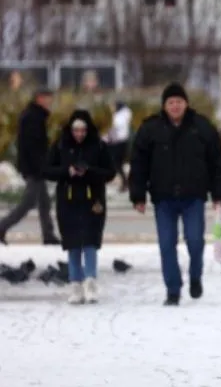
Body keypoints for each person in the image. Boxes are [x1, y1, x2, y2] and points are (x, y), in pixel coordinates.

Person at [129, 82, 221, 306]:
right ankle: (173, 290)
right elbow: (138, 164)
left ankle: (195, 277)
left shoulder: (201, 127)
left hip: (193, 196)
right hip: (163, 197)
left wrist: (219, 194)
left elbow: (218, 161)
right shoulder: (150, 129)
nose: (175, 106)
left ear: (186, 104)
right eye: (171, 102)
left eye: (179, 102)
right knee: (166, 244)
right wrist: (138, 195)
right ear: (164, 106)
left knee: (195, 241)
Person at [43, 110, 115, 304]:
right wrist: (68, 172)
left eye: (83, 130)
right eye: (76, 130)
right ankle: (75, 284)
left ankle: (90, 281)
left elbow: (110, 172)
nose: (79, 134)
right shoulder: (60, 145)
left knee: (90, 241)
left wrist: (89, 172)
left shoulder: (99, 146)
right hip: (68, 201)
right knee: (73, 243)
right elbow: (48, 170)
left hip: (93, 200)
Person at [0, 89, 60, 245]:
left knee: (44, 201)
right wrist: (40, 166)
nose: (50, 102)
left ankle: (48, 234)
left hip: (35, 165)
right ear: (39, 98)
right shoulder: (33, 117)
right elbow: (32, 146)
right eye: (48, 98)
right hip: (34, 167)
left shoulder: (35, 115)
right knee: (28, 203)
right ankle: (1, 227)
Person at [107, 100, 132, 192]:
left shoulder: (119, 117)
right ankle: (125, 182)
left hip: (119, 143)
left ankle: (125, 183)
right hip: (120, 142)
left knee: (117, 164)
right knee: (118, 164)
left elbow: (116, 129)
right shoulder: (122, 116)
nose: (111, 109)